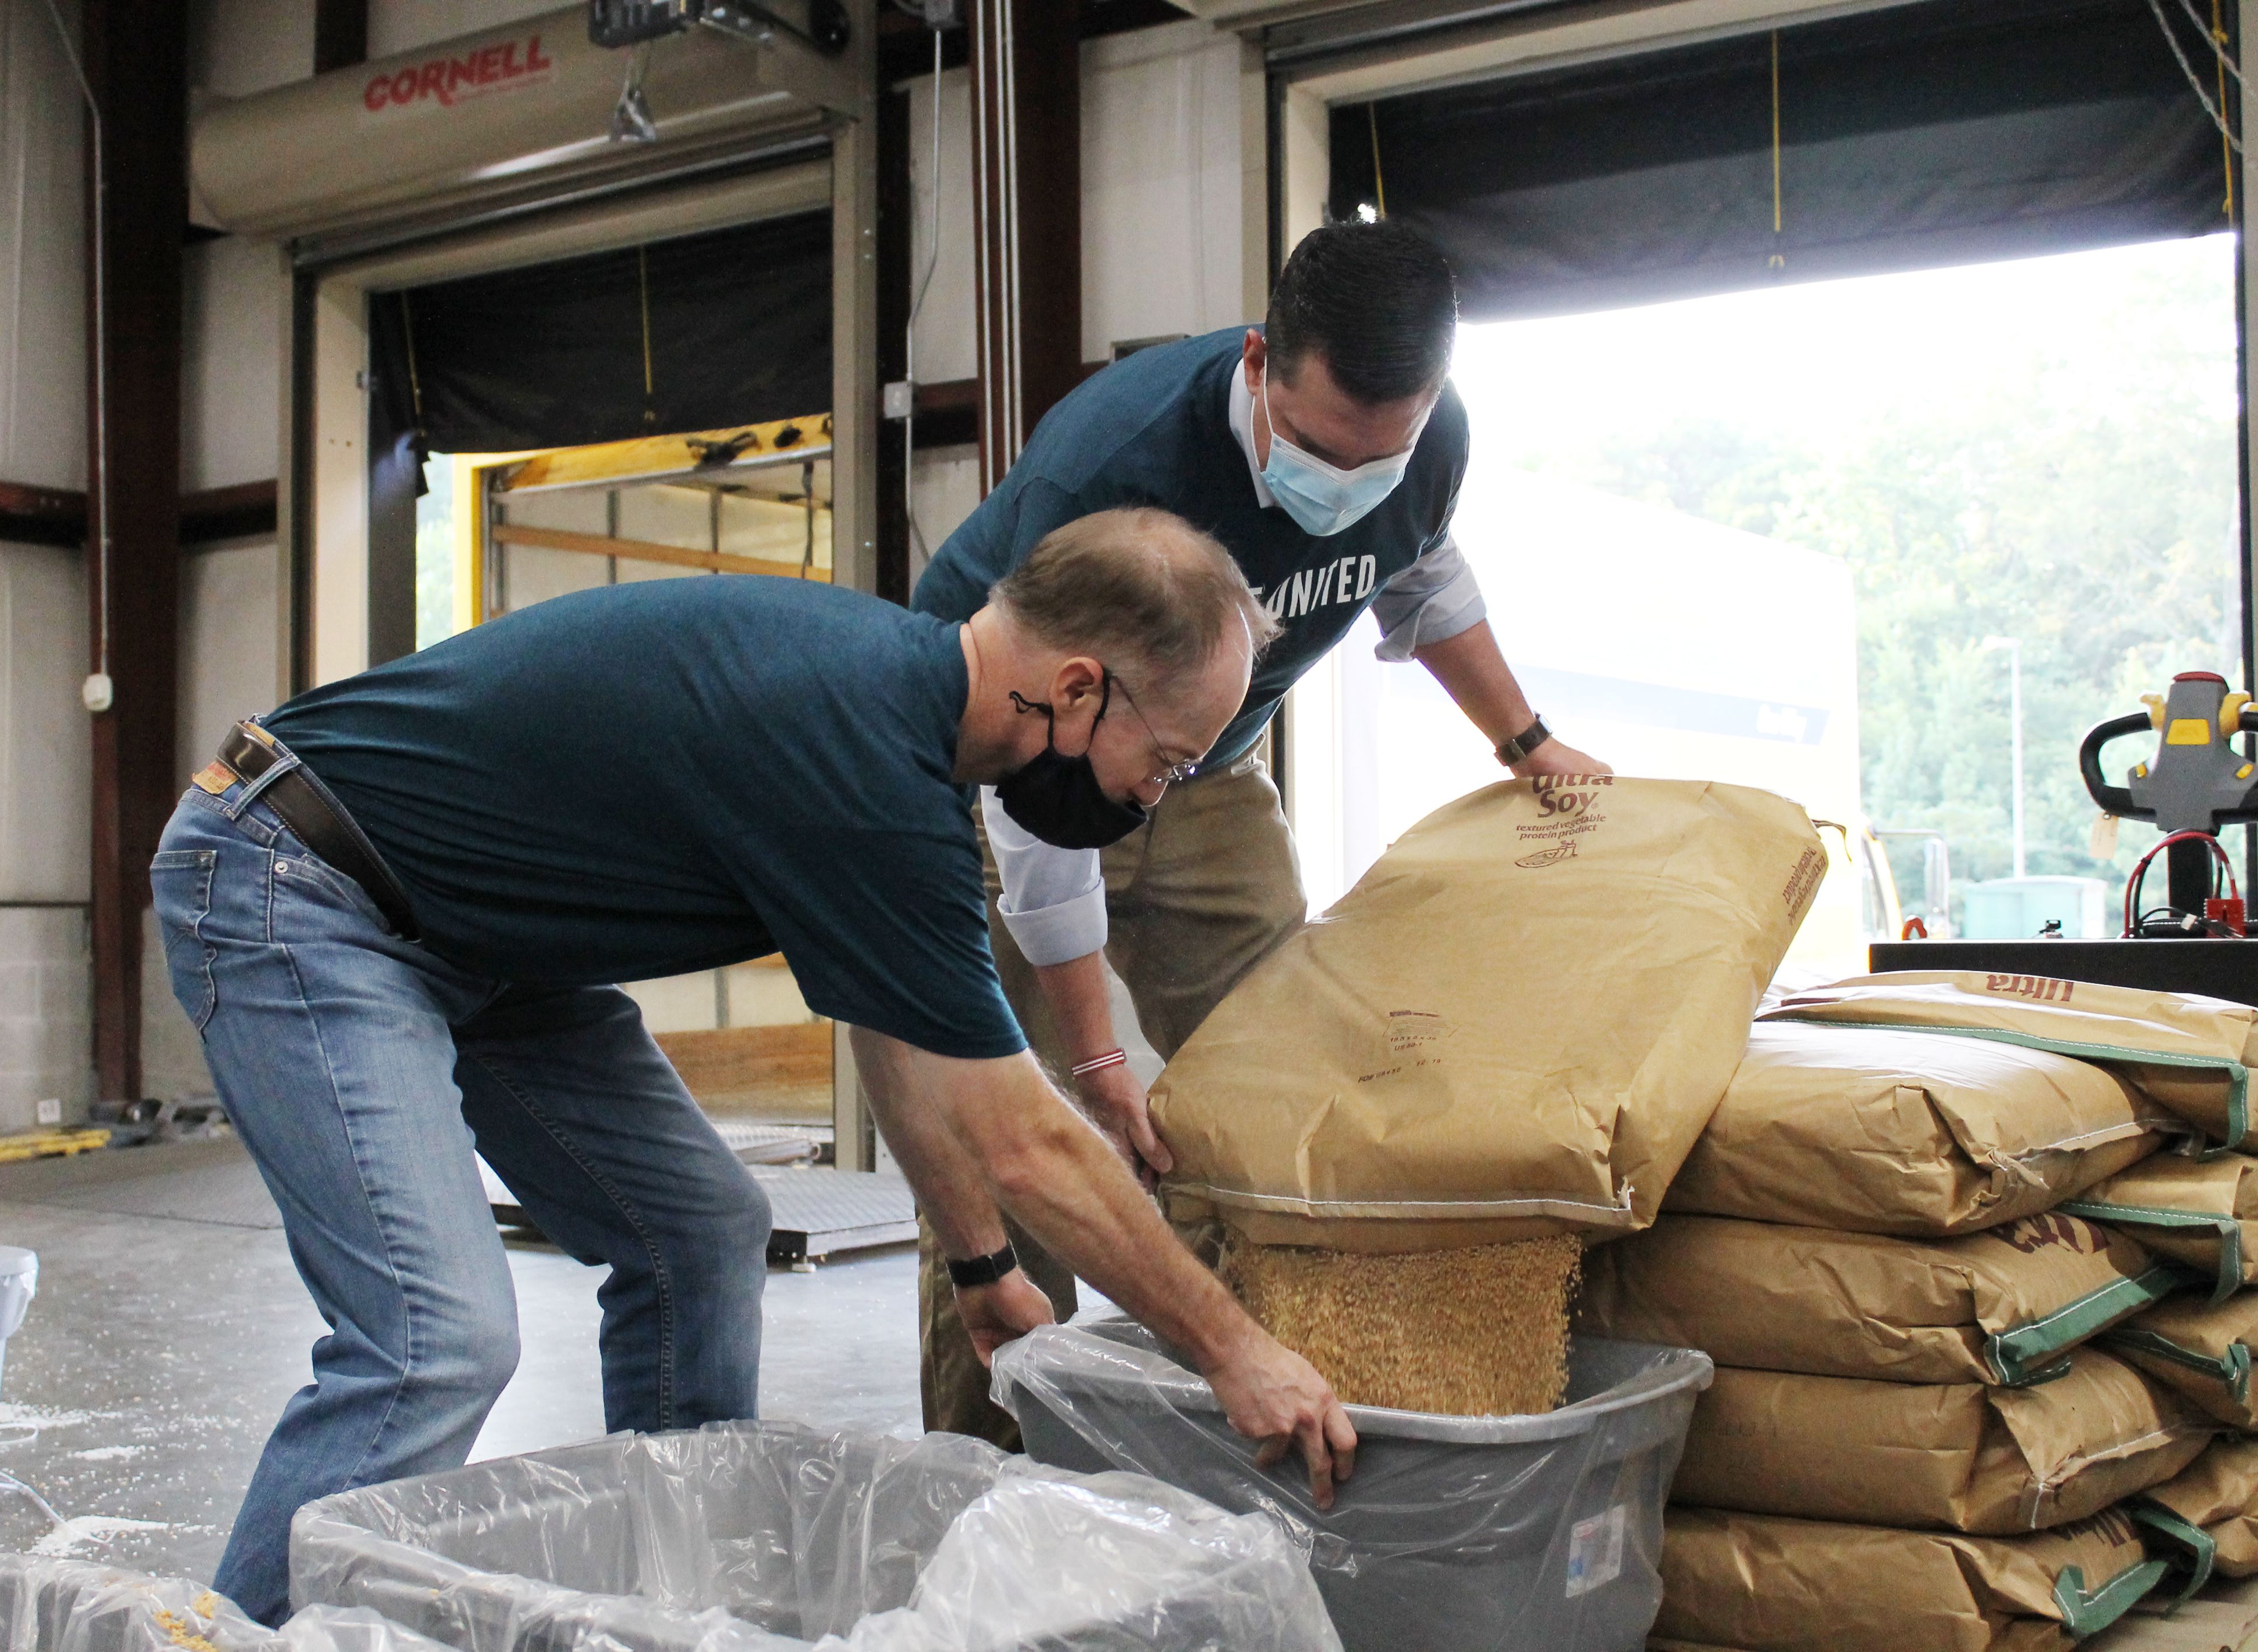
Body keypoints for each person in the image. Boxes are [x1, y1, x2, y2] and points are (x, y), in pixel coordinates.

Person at [151, 507, 1355, 1626]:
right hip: (296, 880)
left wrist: (983, 1264)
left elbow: (902, 1040)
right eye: (1173, 759)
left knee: (697, 1230)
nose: (1159, 797)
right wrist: (1234, 1349)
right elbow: (1022, 1137)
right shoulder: (856, 745)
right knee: (435, 1339)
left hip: (485, 942)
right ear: (1081, 687)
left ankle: (676, 1607)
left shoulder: (906, 741)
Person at [909, 218, 1612, 1445]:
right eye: (1317, 448)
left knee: (1280, 1093)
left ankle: (1238, 1417)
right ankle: (993, 1468)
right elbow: (1040, 815)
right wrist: (1096, 1064)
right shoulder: (1112, 465)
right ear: (1256, 363)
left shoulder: (1425, 443)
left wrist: (1524, 739)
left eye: (1378, 453)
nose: (1344, 482)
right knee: (1007, 1146)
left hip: (1211, 774)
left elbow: (1418, 571)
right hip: (1002, 772)